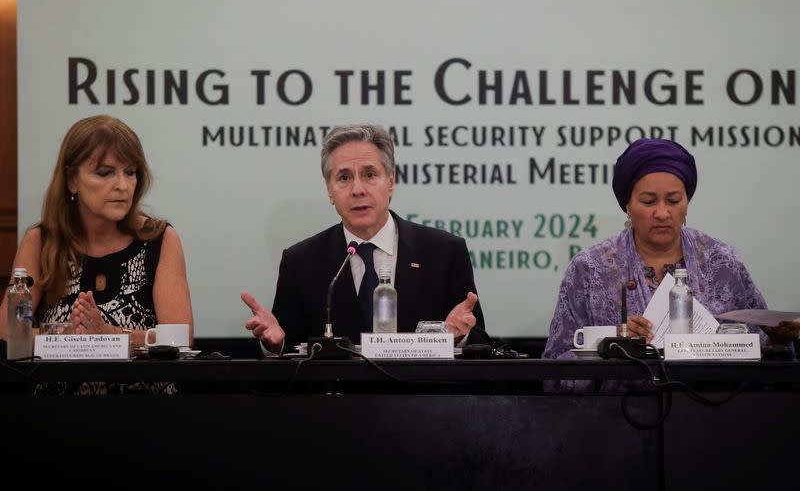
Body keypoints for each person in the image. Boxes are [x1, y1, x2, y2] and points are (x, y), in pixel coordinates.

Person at [242, 124, 487, 354]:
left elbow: (480, 343)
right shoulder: (301, 261)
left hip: (422, 397)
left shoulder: (444, 252)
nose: (357, 190)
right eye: (344, 178)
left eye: (370, 174)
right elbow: (288, 346)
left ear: (390, 182)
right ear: (330, 190)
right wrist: (276, 345)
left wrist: (458, 337)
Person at [542, 137, 789, 360]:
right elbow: (555, 365)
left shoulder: (722, 262)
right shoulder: (590, 268)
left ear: (687, 203)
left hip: (712, 405)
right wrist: (610, 341)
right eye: (649, 202)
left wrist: (779, 339)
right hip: (617, 406)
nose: (662, 213)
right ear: (627, 205)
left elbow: (764, 351)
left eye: (673, 201)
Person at [0, 115, 193, 359]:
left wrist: (109, 334)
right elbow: (7, 334)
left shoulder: (159, 239)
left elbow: (181, 339)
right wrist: (67, 336)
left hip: (142, 394)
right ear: (71, 180)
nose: (123, 185)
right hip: (56, 394)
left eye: (130, 172)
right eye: (105, 173)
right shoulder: (40, 242)